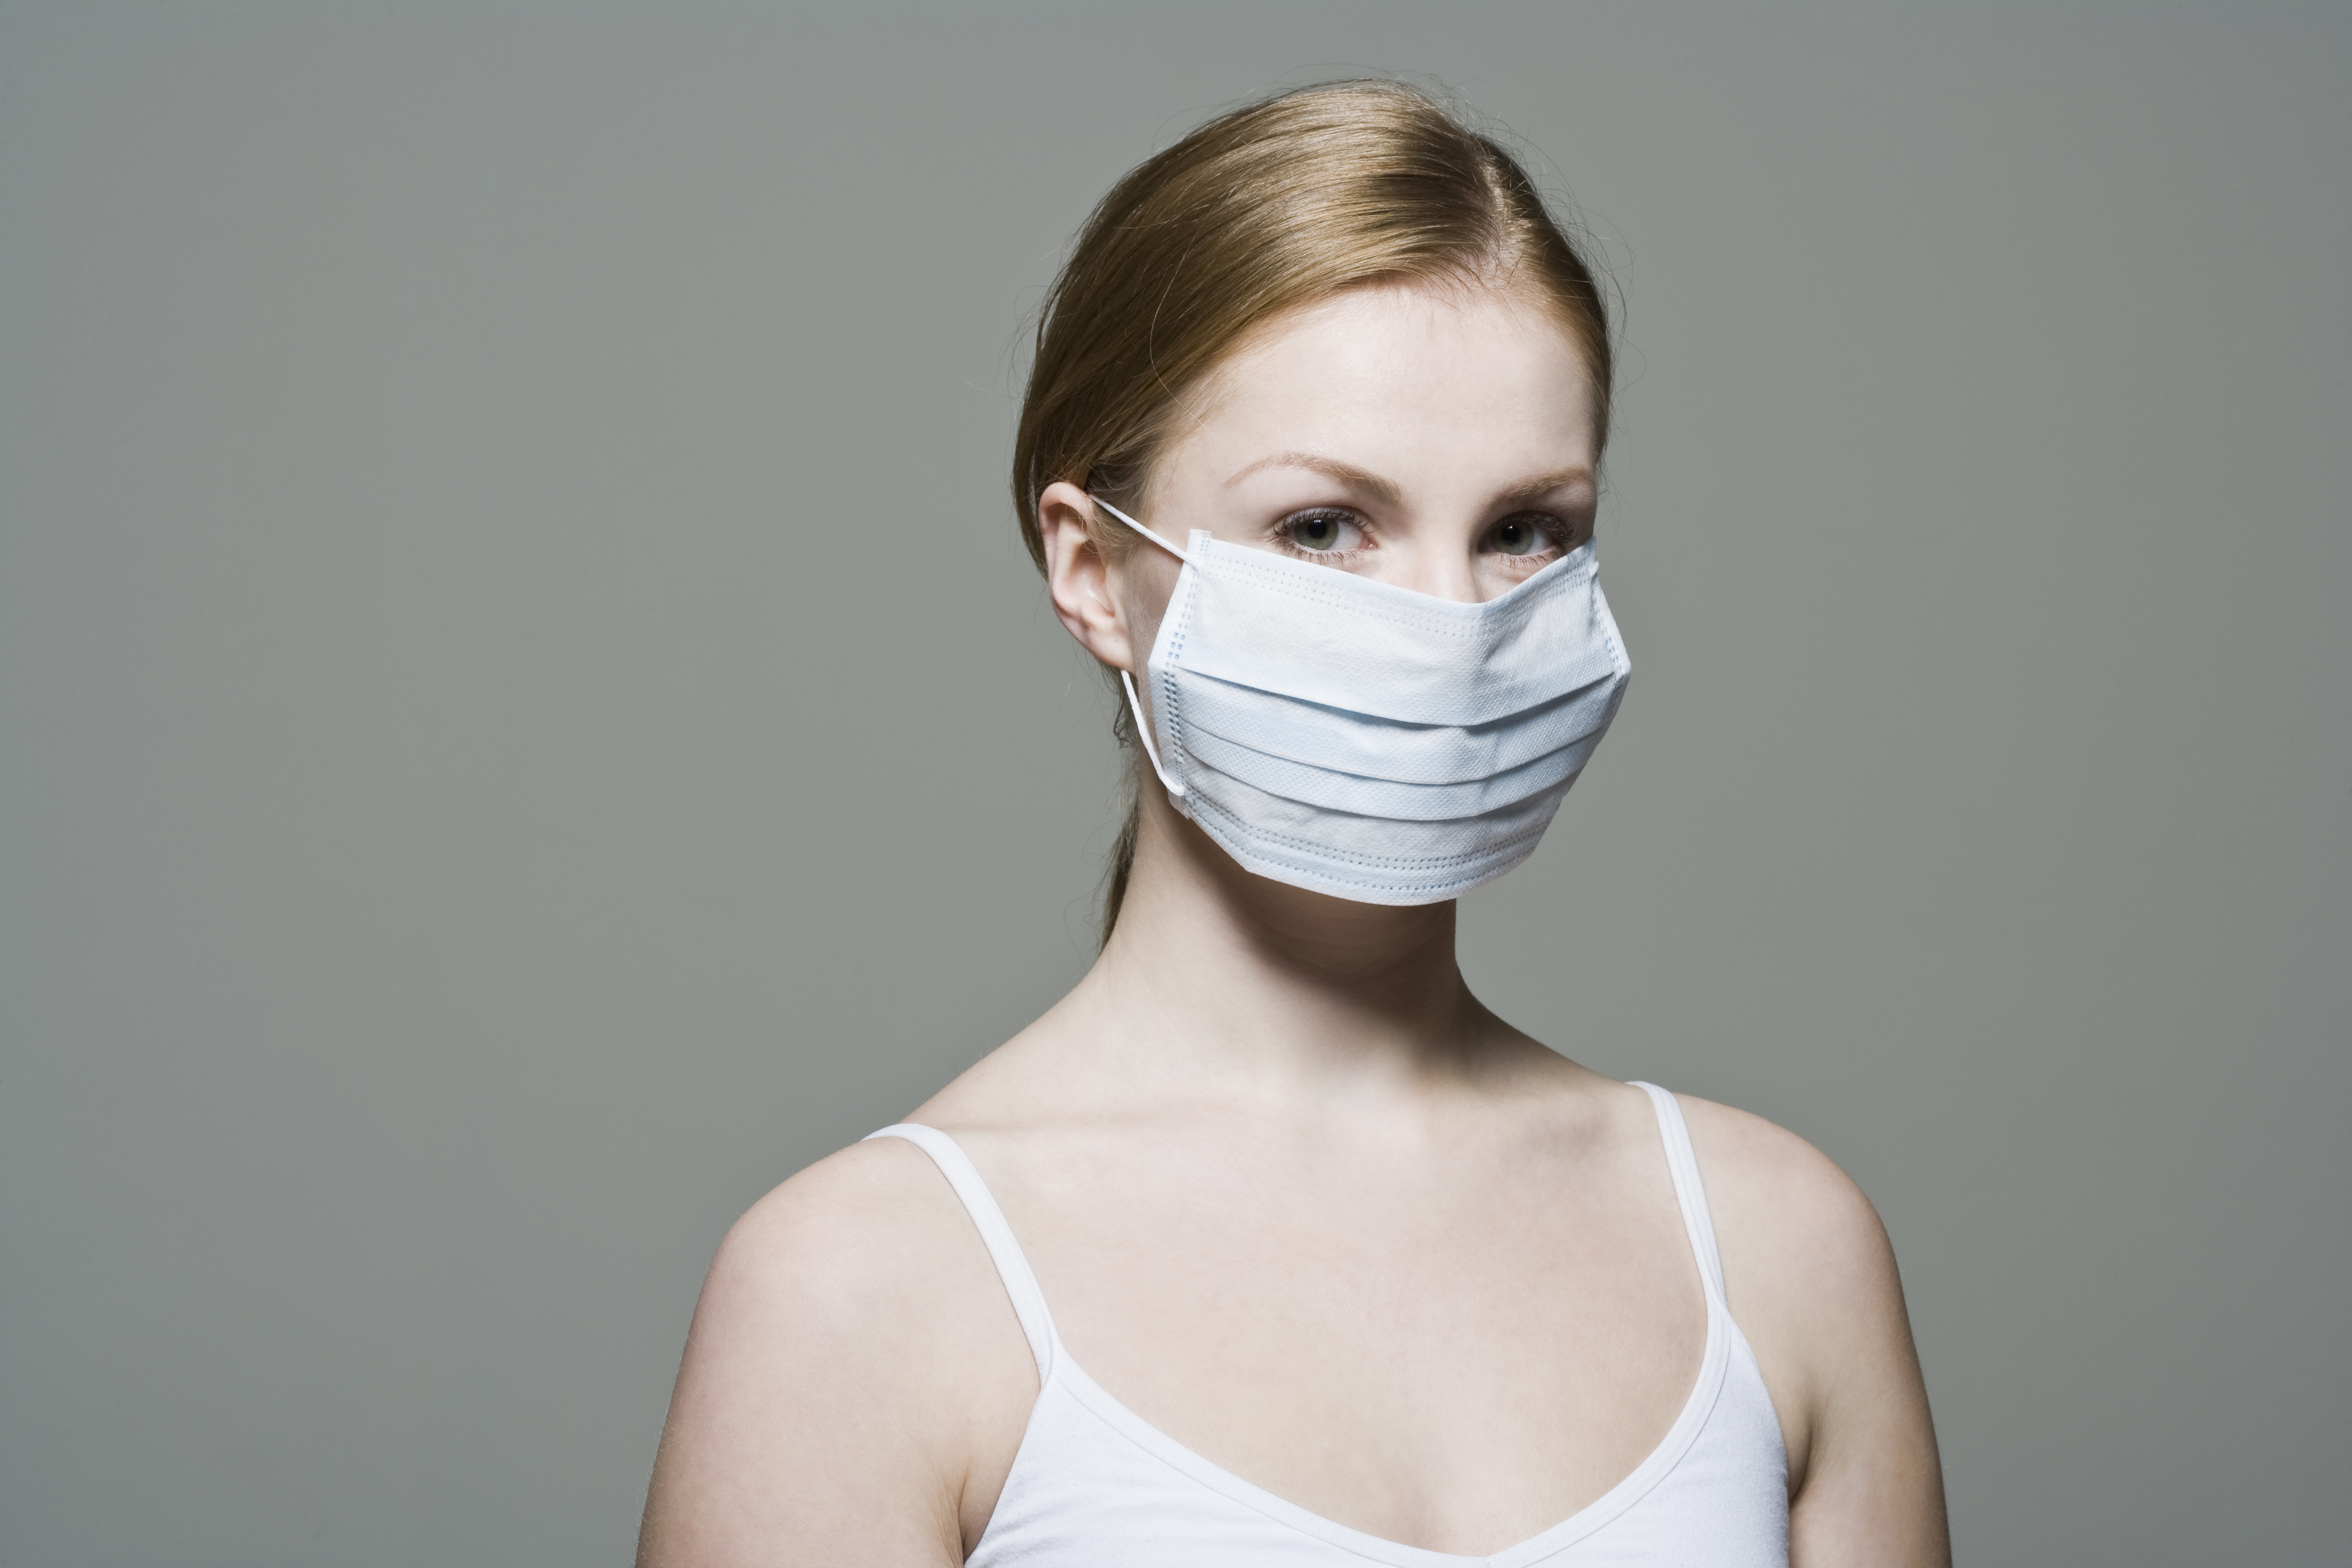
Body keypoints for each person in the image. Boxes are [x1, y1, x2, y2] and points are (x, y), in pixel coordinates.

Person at [636, 81, 1948, 1567]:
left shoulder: (1778, 1248)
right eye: (1321, 527)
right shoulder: (861, 1290)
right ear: (1090, 570)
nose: (1450, 624)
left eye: (1525, 528)